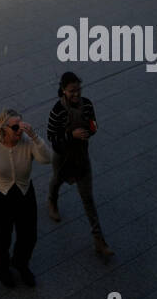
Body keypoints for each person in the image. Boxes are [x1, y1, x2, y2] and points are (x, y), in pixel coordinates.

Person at [0, 109, 51, 287]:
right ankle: (2, 268)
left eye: (21, 126)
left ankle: (21, 263)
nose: (19, 130)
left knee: (29, 235)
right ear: (4, 128)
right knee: (3, 235)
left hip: (23, 192)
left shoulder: (28, 142)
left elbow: (47, 159)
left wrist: (35, 137)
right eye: (15, 127)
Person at [46, 71, 114, 258]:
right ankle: (52, 200)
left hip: (81, 156)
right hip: (63, 157)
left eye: (78, 90)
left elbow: (94, 125)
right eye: (71, 91)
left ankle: (99, 240)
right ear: (63, 91)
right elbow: (52, 137)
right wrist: (71, 135)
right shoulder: (57, 110)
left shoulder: (87, 104)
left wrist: (90, 131)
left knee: (88, 198)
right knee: (57, 180)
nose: (76, 94)